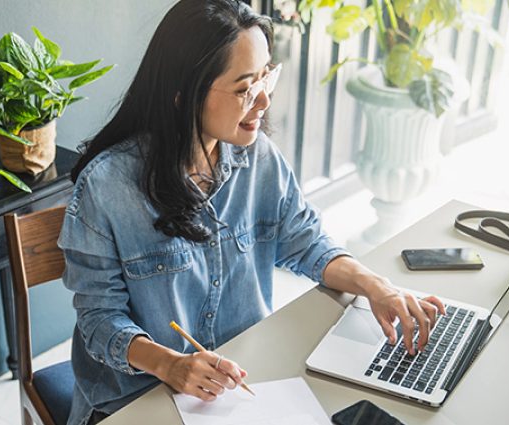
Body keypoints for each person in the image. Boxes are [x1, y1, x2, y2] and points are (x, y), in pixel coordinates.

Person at [58, 1, 446, 424]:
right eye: (245, 88)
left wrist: (378, 288)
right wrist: (171, 365)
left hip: (243, 384)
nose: (263, 100)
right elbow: (99, 320)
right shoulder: (106, 186)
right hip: (137, 396)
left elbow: (306, 241)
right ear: (182, 95)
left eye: (266, 77)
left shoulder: (259, 158)